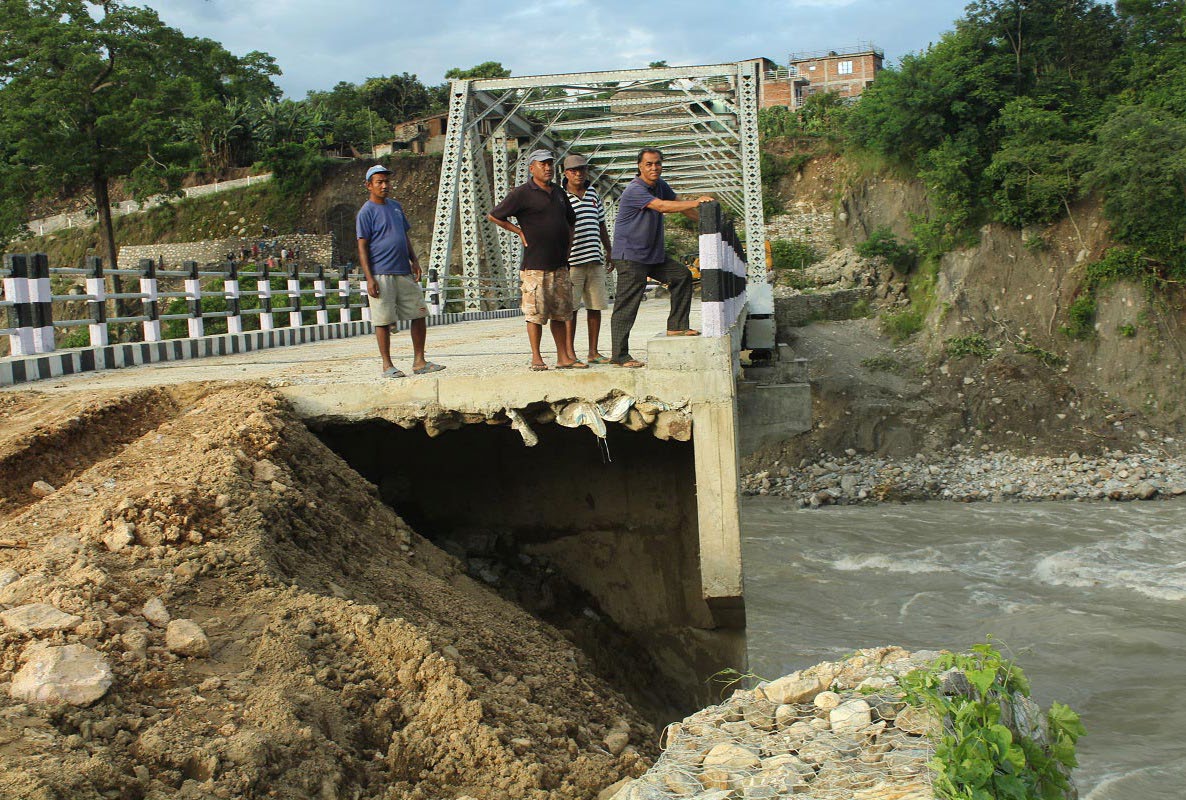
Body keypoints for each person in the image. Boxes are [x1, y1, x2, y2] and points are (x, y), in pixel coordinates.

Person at [609, 147, 713, 368]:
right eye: (649, 164)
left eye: (657, 163)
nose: (654, 168)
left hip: (652, 256)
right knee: (627, 305)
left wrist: (708, 223)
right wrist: (697, 202)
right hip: (631, 256)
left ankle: (677, 325)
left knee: (682, 275)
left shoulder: (660, 185)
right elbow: (662, 206)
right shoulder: (635, 189)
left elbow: (679, 206)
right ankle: (619, 355)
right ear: (639, 166)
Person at [487, 149, 585, 371]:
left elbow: (571, 220)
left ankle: (563, 357)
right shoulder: (522, 193)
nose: (548, 168)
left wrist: (568, 243)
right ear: (532, 168)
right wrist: (519, 231)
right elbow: (494, 215)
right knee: (535, 313)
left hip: (559, 264)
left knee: (561, 313)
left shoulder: (559, 192)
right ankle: (536, 357)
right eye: (543, 164)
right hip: (535, 265)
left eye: (550, 164)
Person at [356, 164, 444, 378]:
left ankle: (419, 361)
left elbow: (404, 236)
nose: (385, 185)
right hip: (381, 272)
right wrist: (369, 278)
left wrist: (414, 260)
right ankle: (387, 365)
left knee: (419, 312)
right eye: (379, 182)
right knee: (383, 320)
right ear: (369, 185)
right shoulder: (366, 212)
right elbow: (362, 246)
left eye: (387, 181)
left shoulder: (396, 207)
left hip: (403, 270)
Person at [562, 153, 614, 364]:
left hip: (594, 258)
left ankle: (593, 352)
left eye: (582, 169)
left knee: (595, 306)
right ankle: (570, 353)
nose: (578, 174)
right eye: (573, 170)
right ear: (566, 173)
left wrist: (609, 250)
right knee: (570, 309)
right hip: (572, 261)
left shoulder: (593, 193)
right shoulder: (561, 196)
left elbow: (601, 224)